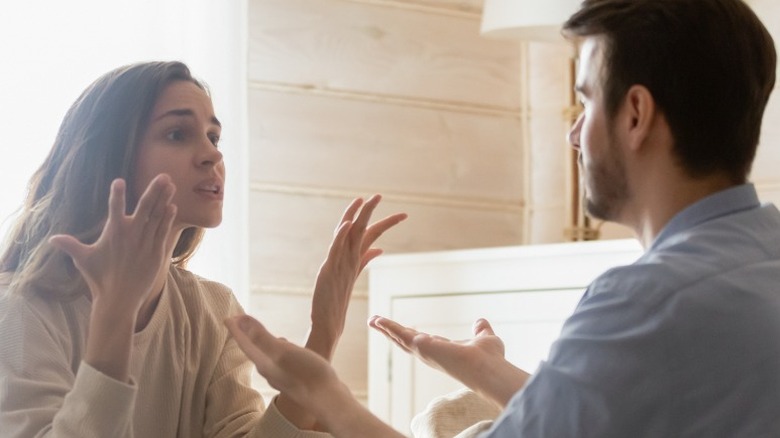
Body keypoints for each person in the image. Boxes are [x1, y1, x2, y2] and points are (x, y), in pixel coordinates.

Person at [224, 0, 780, 436]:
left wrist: (326, 397)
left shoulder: (645, 303)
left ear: (634, 114)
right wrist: (487, 372)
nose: (572, 134)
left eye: (584, 103)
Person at [0, 60, 407, 437]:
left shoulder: (213, 310)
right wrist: (116, 313)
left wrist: (325, 328)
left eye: (214, 136)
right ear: (110, 156)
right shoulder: (22, 308)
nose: (213, 154)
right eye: (178, 134)